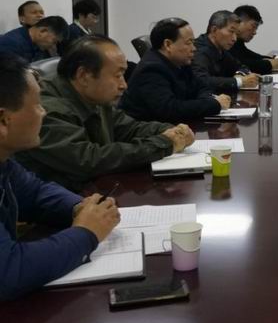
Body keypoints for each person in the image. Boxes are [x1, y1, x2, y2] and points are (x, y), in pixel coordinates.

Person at [0, 53, 120, 300]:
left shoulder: (5, 162)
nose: (44, 112)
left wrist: (79, 207)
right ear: (3, 120)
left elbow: (35, 193)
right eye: (37, 105)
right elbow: (8, 271)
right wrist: (86, 232)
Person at [15, 35, 194, 191]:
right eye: (117, 75)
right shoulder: (46, 110)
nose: (124, 85)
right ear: (84, 75)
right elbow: (89, 161)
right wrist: (164, 143)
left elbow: (128, 128)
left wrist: (172, 131)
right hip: (59, 207)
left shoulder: (94, 96)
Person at [120, 17, 231, 123]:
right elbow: (170, 109)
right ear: (168, 45)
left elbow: (201, 86)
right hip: (147, 131)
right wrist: (213, 104)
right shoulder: (151, 70)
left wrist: (206, 100)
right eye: (189, 43)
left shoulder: (181, 62)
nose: (194, 48)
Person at [192, 10, 260, 92]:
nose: (234, 39)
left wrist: (239, 74)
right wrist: (240, 81)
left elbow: (241, 66)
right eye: (231, 31)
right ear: (214, 30)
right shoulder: (200, 51)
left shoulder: (220, 48)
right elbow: (201, 81)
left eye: (236, 33)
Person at [230, 5, 278, 75]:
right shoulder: (227, 41)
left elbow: (249, 55)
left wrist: (269, 59)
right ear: (239, 22)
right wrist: (270, 63)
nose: (255, 32)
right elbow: (242, 64)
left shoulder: (238, 42)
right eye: (253, 26)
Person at [0, 16, 68, 63]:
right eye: (54, 41)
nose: (53, 46)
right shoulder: (11, 44)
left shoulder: (38, 43)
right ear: (43, 31)